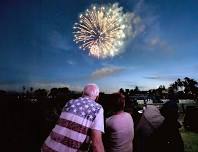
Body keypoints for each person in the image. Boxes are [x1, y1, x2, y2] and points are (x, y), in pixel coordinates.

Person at [41, 84, 105, 152]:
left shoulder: (70, 102)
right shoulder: (97, 108)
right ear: (97, 97)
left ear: (82, 93)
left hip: (47, 147)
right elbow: (96, 144)